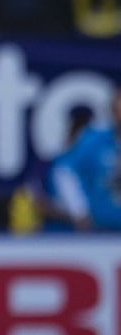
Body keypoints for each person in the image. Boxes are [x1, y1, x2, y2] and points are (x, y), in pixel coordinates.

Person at [50, 89, 121, 231]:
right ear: (112, 112)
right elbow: (64, 171)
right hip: (101, 229)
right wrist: (79, 211)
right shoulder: (95, 140)